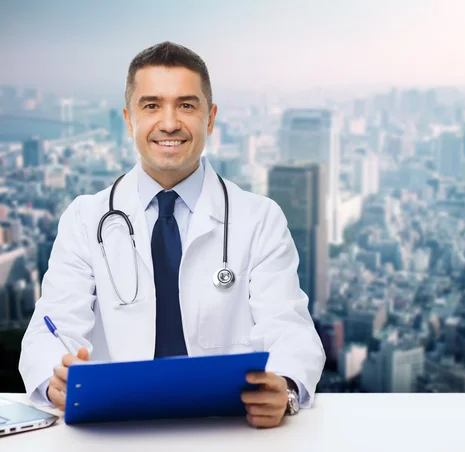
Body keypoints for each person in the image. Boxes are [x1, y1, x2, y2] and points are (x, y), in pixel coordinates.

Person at [19, 41, 325, 429]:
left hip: (227, 429)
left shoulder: (259, 218)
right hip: (115, 430)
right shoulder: (85, 218)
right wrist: (54, 381)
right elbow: (51, 327)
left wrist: (285, 386)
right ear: (129, 120)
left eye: (186, 105)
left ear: (210, 118)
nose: (169, 123)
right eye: (151, 106)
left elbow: (290, 328)